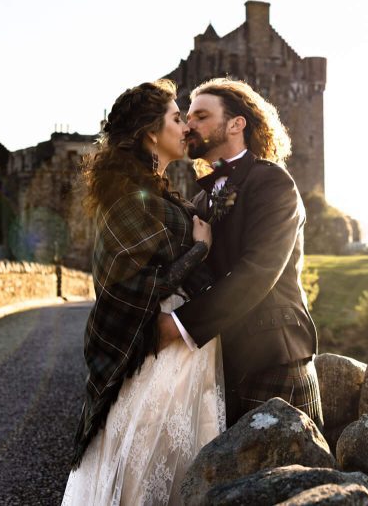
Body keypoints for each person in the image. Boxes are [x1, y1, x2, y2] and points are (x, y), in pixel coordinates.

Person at [63, 80, 224, 506]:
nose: (185, 127)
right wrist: (200, 250)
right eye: (176, 118)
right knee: (141, 476)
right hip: (157, 353)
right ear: (151, 132)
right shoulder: (131, 196)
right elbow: (127, 283)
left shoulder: (156, 189)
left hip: (181, 352)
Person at [157, 78, 323, 428]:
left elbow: (259, 270)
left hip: (274, 359)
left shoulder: (273, 182)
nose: (189, 126)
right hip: (222, 362)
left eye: (201, 116)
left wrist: (180, 325)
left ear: (236, 124)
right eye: (187, 117)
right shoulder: (201, 200)